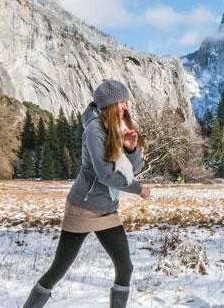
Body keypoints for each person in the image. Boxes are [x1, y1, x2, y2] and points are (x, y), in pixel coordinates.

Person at [22, 80, 151, 308]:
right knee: (58, 270)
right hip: (82, 208)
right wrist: (138, 189)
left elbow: (133, 170)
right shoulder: (94, 129)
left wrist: (131, 149)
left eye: (126, 101)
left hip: (107, 210)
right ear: (110, 103)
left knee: (125, 267)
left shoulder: (118, 127)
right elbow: (104, 175)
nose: (126, 106)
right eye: (122, 101)